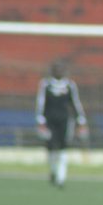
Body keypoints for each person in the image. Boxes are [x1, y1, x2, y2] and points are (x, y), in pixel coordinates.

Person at [35, 60, 88, 189]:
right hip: (49, 122)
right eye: (56, 69)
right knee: (51, 148)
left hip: (65, 121)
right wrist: (40, 121)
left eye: (61, 69)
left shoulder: (70, 85)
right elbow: (40, 103)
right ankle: (53, 171)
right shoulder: (45, 84)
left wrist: (81, 121)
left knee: (63, 148)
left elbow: (75, 103)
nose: (59, 72)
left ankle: (61, 178)